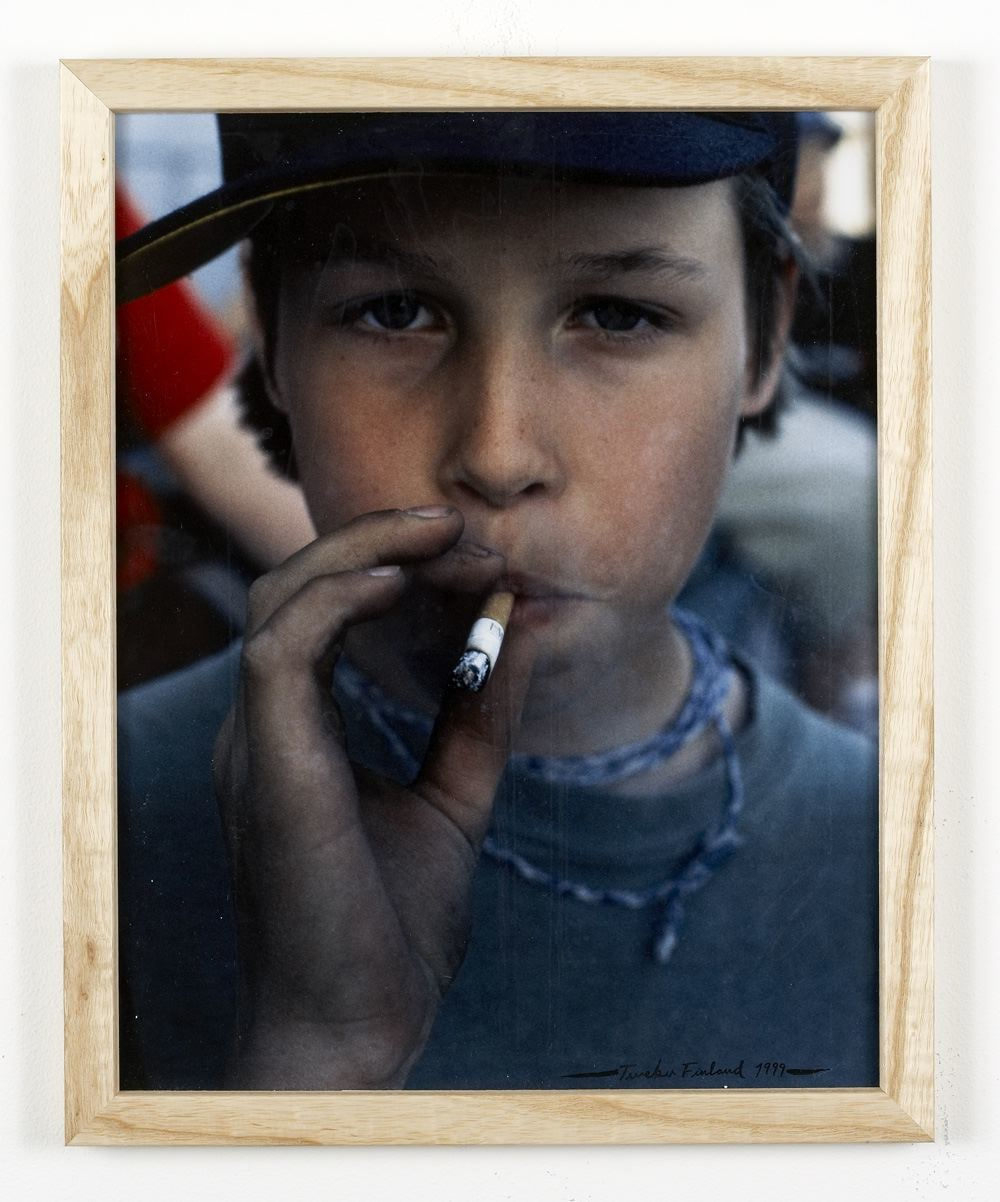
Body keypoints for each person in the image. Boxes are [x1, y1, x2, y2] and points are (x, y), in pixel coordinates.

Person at [115, 112, 878, 1092]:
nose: (498, 454)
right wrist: (316, 1056)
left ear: (764, 340)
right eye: (392, 311)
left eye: (616, 313)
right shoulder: (80, 831)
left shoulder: (918, 868)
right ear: (272, 341)